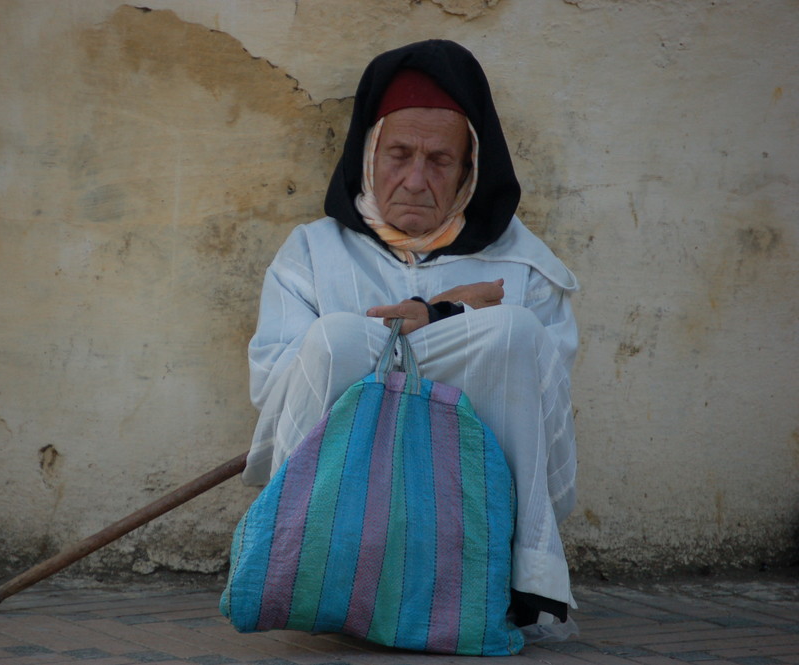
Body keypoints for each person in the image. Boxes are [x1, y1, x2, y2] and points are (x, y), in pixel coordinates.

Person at [242, 40, 579, 630]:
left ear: (470, 169)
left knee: (515, 334)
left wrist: (436, 328)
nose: (416, 180)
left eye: (439, 160)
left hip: (465, 499)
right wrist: (417, 335)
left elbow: (546, 408)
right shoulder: (311, 256)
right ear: (368, 155)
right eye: (398, 154)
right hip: (347, 495)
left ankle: (517, 586)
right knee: (336, 340)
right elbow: (277, 385)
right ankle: (304, 567)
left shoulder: (525, 270)